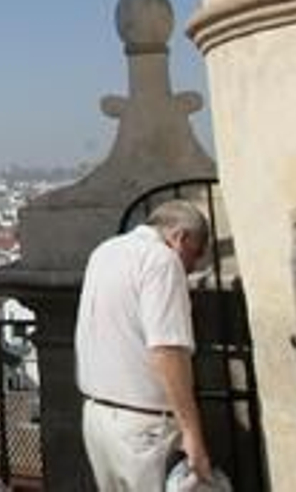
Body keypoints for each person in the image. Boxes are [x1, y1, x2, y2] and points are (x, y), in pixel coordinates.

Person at [74, 200, 213, 491]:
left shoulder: (104, 251)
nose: (193, 266)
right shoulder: (162, 261)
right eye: (196, 253)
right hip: (144, 426)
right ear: (180, 237)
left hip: (97, 417)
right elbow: (167, 350)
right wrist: (192, 433)